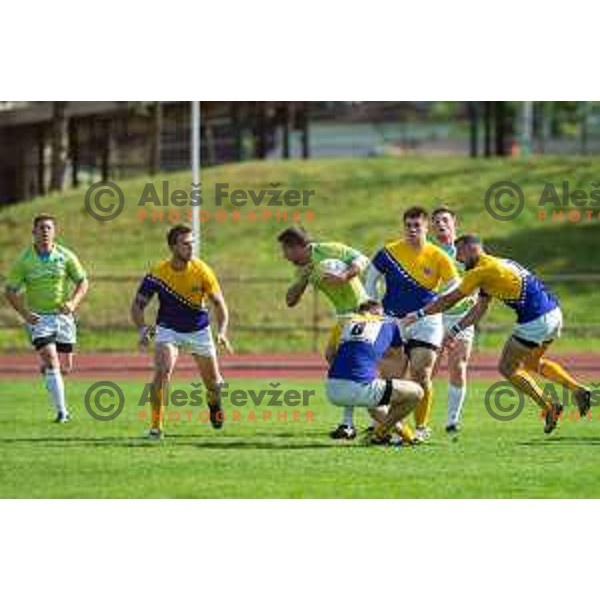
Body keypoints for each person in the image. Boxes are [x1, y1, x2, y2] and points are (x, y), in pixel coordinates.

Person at [401, 234, 591, 435]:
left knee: (507, 367)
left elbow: (449, 300)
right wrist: (455, 331)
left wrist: (419, 314)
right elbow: (480, 309)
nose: (457, 259)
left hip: (535, 320)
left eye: (460, 254)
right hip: (553, 314)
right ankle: (577, 389)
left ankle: (549, 406)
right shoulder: (496, 264)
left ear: (471, 249)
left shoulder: (482, 271)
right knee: (532, 364)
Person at [365, 206, 459, 442]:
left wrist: (438, 304)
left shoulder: (438, 256)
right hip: (393, 320)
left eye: (417, 225)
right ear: (403, 226)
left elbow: (454, 286)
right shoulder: (389, 252)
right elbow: (371, 277)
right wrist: (373, 306)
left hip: (426, 320)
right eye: (408, 225)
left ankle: (421, 426)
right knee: (392, 378)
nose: (412, 229)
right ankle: (394, 429)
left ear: (426, 227)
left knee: (421, 372)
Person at [130, 225, 233, 439]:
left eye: (191, 243)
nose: (190, 247)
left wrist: (222, 332)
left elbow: (219, 304)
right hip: (168, 329)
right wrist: (141, 328)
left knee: (214, 386)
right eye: (185, 243)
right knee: (162, 371)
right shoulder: (158, 273)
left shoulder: (202, 270)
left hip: (199, 331)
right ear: (172, 247)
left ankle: (214, 406)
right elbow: (137, 306)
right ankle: (156, 428)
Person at [278, 226, 370, 440]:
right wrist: (304, 279)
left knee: (346, 366)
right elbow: (290, 300)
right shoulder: (302, 268)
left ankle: (362, 423)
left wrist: (344, 275)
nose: (284, 256)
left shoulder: (329, 250)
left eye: (286, 250)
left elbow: (362, 259)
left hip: (362, 312)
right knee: (338, 362)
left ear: (297, 247)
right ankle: (355, 422)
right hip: (344, 316)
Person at [4, 214, 89, 422]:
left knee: (65, 367)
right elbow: (10, 290)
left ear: (54, 231)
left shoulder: (65, 256)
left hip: (62, 317)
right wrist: (24, 313)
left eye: (49, 228)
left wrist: (72, 303)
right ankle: (63, 412)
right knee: (52, 360)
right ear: (33, 232)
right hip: (38, 319)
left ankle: (50, 373)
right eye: (41, 228)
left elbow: (83, 282)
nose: (45, 231)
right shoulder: (24, 261)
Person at [325, 300, 423, 445]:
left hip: (332, 389)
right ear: (377, 312)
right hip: (360, 388)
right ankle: (379, 435)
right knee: (416, 392)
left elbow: (329, 356)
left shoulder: (345, 321)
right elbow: (397, 358)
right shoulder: (388, 322)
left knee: (377, 407)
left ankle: (408, 436)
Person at [430, 207, 477, 435]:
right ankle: (422, 420)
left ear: (454, 223)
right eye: (436, 221)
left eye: (445, 220)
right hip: (435, 318)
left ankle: (452, 420)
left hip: (461, 316)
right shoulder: (428, 252)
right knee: (427, 369)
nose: (441, 224)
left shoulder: (466, 251)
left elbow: (480, 276)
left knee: (458, 367)